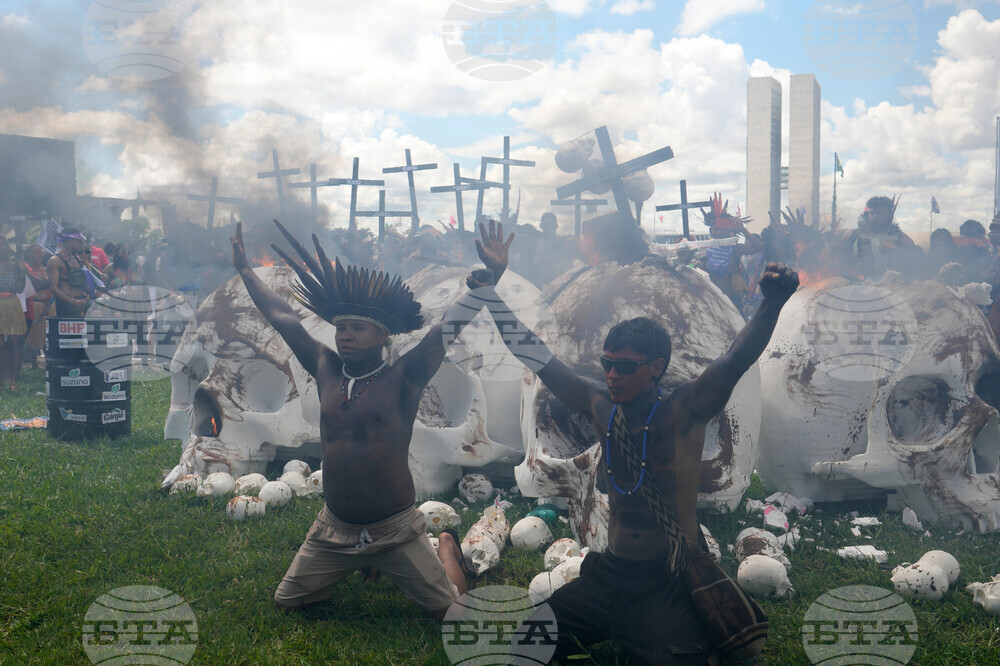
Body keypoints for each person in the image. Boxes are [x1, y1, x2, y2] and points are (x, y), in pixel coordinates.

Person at [467, 229, 799, 664]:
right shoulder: (601, 407)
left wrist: (773, 302)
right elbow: (536, 354)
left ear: (657, 368)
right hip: (611, 571)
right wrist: (491, 292)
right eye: (607, 365)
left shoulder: (685, 412)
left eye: (625, 367)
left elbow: (736, 358)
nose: (611, 375)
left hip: (668, 577)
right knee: (529, 644)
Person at [231, 218, 512, 621]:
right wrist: (244, 270)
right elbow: (284, 319)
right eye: (341, 328)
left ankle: (445, 546)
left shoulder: (404, 377)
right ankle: (355, 561)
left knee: (451, 614)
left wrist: (489, 281)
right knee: (288, 601)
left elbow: (446, 330)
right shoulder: (326, 367)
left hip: (393, 529)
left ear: (382, 335)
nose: (345, 335)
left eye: (357, 328)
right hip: (334, 528)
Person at [845, 195, 918, 279]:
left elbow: (915, 261)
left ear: (889, 215)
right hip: (860, 286)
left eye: (880, 213)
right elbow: (837, 258)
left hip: (892, 287)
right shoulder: (853, 235)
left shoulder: (901, 238)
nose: (875, 216)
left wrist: (896, 251)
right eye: (872, 213)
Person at [0, 241, 27, 391]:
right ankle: (2, 379)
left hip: (11, 304)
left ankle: (13, 379)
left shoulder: (14, 265)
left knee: (14, 342)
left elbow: (20, 288)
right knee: (0, 345)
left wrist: (22, 270)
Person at [48, 228, 92, 318]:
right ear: (71, 240)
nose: (82, 244)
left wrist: (99, 294)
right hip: (66, 306)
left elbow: (83, 283)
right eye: (80, 241)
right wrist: (73, 301)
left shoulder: (77, 259)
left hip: (81, 304)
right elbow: (53, 288)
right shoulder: (55, 261)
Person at [22, 245, 53, 369]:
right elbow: (37, 284)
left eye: (40, 253)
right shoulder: (26, 270)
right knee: (34, 335)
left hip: (49, 304)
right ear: (29, 255)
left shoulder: (45, 269)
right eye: (35, 253)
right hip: (36, 304)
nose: (38, 256)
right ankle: (34, 364)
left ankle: (49, 362)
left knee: (48, 335)